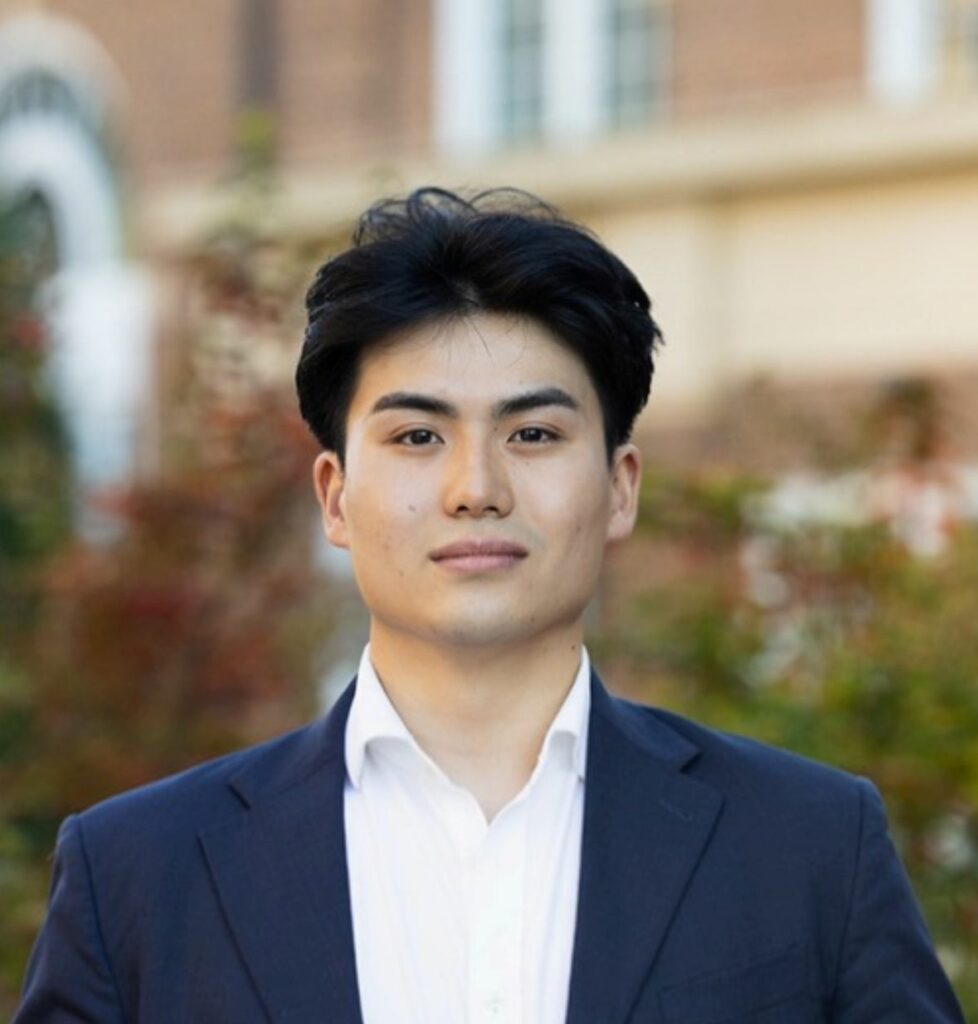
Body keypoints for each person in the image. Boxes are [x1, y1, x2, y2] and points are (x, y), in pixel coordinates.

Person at [16, 188, 964, 1024]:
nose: (476, 487)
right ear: (335, 496)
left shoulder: (807, 847)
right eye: (419, 434)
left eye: (536, 432)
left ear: (621, 486)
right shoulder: (140, 875)